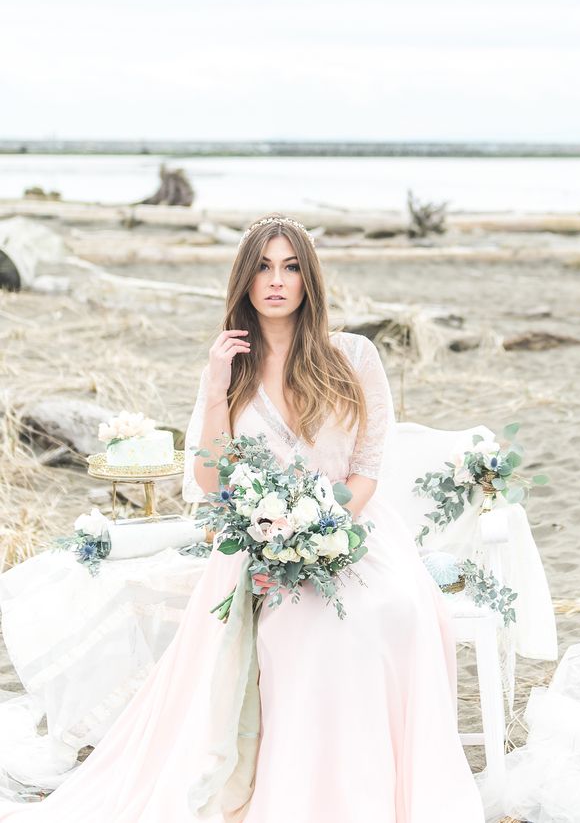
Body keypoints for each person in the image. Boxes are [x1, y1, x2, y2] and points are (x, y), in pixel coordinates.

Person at [0, 214, 486, 822]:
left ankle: (371, 792)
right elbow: (209, 481)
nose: (276, 281)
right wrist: (212, 388)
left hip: (353, 529)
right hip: (259, 543)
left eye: (290, 267)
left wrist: (325, 533)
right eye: (263, 266)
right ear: (245, 279)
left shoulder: (353, 356)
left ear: (309, 279)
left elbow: (366, 469)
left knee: (392, 613)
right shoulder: (230, 366)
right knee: (303, 631)